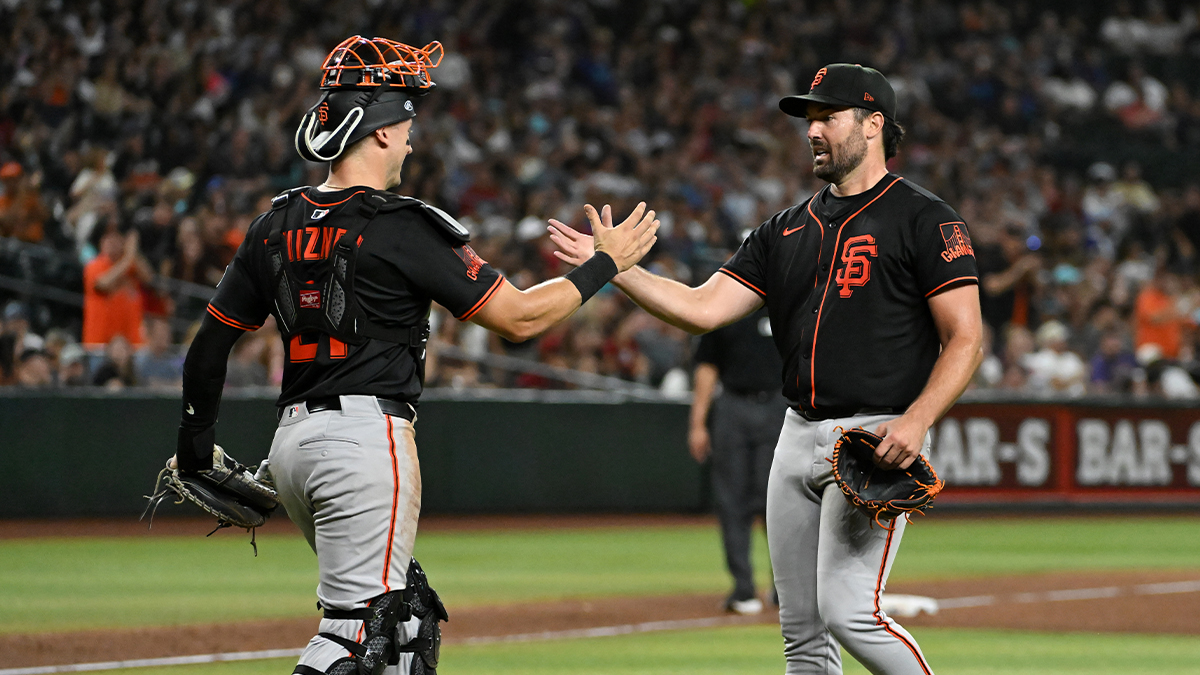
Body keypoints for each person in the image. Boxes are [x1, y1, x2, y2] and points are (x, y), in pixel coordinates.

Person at [170, 35, 658, 675]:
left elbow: (209, 345)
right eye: (405, 126)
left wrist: (196, 450)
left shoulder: (275, 222)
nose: (410, 141)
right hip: (364, 441)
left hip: (291, 448)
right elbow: (519, 317)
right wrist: (606, 264)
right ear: (375, 133)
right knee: (355, 635)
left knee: (405, 629)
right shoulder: (400, 224)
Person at [551, 63, 983, 675]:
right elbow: (702, 308)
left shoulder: (924, 219)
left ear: (874, 124)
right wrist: (615, 269)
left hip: (876, 435)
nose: (813, 130)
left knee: (849, 612)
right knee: (801, 635)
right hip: (796, 430)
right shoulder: (783, 230)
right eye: (809, 119)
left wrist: (916, 422)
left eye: (827, 116)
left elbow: (965, 339)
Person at [689, 307, 785, 615]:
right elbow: (707, 366)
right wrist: (697, 423)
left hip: (780, 405)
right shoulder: (725, 304)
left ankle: (785, 588)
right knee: (732, 501)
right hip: (733, 406)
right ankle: (743, 588)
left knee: (781, 503)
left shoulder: (788, 298)